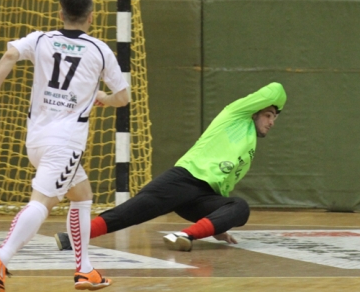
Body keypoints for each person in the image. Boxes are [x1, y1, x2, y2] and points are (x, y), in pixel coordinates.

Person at [0, 0, 130, 292]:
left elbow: (9, 55)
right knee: (42, 202)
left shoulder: (40, 39)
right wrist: (103, 97)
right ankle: (2, 256)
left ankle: (85, 268)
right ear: (91, 17)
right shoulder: (100, 50)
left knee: (82, 195)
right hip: (66, 143)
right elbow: (124, 98)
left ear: (60, 14)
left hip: (36, 140)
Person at [54, 83, 286, 253]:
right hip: (184, 179)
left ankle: (185, 236)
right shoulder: (236, 114)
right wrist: (278, 104)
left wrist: (217, 223)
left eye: (274, 118)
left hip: (205, 196)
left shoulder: (250, 147)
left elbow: (223, 184)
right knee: (131, 212)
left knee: (240, 208)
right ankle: (72, 238)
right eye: (268, 115)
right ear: (255, 111)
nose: (272, 122)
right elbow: (276, 89)